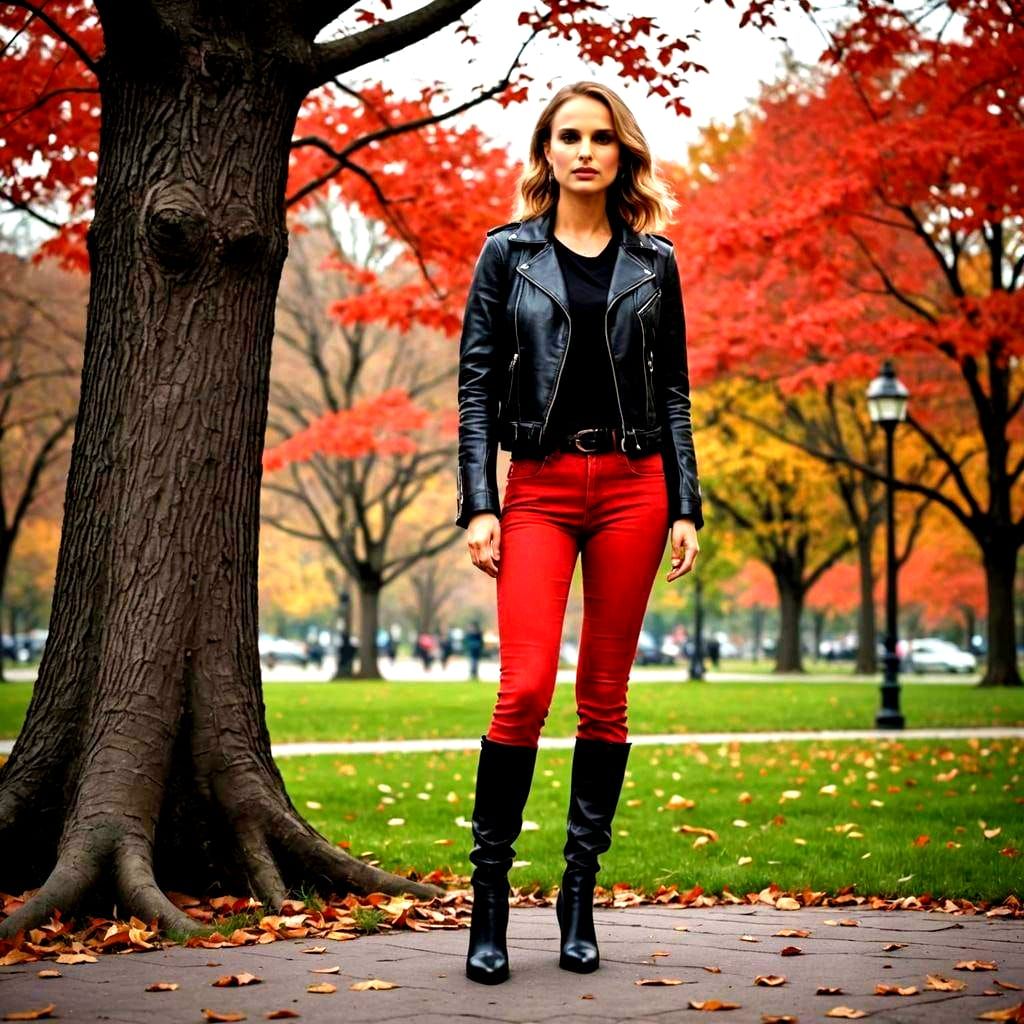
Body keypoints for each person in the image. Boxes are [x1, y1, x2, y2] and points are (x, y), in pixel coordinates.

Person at [454, 81, 704, 985]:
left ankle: (578, 897)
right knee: (522, 691)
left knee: (605, 697)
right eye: (570, 136)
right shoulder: (506, 256)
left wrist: (686, 503)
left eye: (602, 136)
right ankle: (488, 903)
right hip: (542, 486)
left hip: (636, 488)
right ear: (547, 151)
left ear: (621, 152)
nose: (586, 150)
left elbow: (673, 390)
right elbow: (476, 387)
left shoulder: (655, 263)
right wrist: (478, 501)